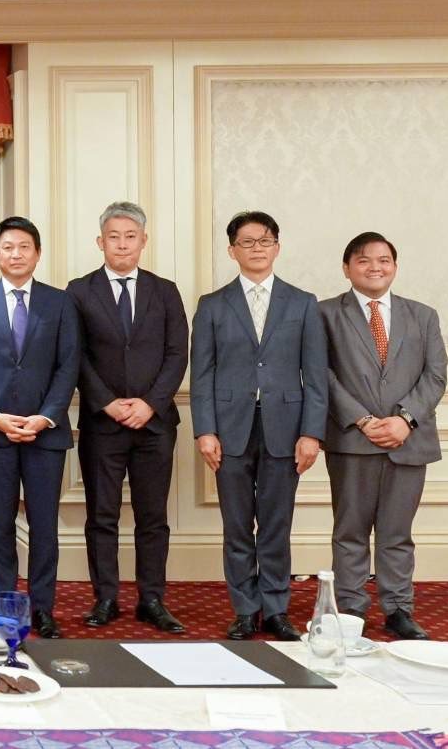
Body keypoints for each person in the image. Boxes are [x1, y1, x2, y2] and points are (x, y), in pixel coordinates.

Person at [191, 210, 327, 642]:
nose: (257, 248)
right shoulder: (212, 305)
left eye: (264, 241)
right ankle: (245, 610)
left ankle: (276, 608)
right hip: (229, 429)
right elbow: (202, 375)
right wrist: (205, 430)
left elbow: (316, 376)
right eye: (247, 242)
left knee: (275, 525)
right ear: (232, 250)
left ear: (277, 248)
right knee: (236, 526)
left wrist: (312, 433)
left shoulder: (302, 303)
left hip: (286, 429)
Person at [65, 202, 189, 633]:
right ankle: (106, 598)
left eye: (130, 236)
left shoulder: (165, 291)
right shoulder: (79, 291)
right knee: (102, 516)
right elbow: (74, 354)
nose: (122, 244)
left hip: (155, 424)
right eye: (114, 237)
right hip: (103, 424)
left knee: (152, 517)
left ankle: (152, 599)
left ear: (143, 241)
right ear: (100, 242)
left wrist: (150, 403)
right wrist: (107, 402)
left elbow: (177, 353)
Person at [319, 232, 446, 641]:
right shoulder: (324, 314)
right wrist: (361, 419)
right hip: (352, 441)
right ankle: (351, 609)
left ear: (394, 266)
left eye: (384, 260)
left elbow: (435, 375)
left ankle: (398, 609)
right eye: (363, 260)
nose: (375, 267)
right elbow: (321, 374)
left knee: (397, 534)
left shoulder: (423, 315)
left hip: (408, 440)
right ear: (346, 268)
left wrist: (404, 419)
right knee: (350, 531)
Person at [0, 216, 79, 639]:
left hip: (46, 433)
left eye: (24, 246)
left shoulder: (60, 302)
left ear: (38, 253)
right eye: (7, 247)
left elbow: (68, 366)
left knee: (44, 527)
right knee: (0, 528)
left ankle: (43, 609)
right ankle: (5, 608)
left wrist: (46, 416)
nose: (16, 254)